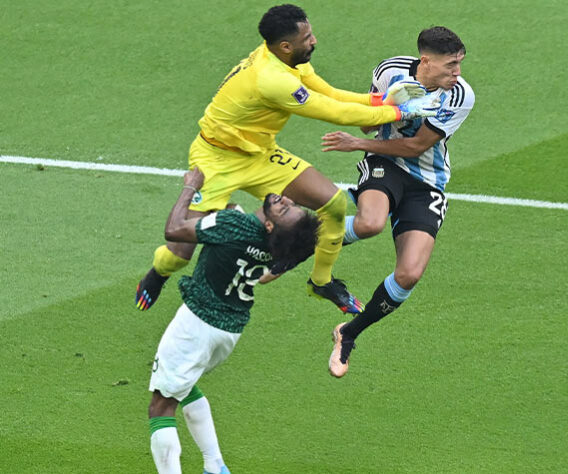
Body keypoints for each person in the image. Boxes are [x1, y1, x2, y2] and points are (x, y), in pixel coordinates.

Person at [135, 4, 440, 315]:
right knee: (180, 251)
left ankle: (320, 281)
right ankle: (158, 273)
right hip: (215, 160)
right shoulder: (271, 79)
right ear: (285, 46)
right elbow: (332, 112)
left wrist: (382, 99)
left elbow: (329, 93)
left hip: (260, 154)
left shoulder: (289, 61)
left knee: (333, 203)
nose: (314, 40)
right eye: (307, 37)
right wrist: (399, 112)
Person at [320, 26, 474, 377]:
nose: (458, 73)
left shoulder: (460, 95)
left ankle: (348, 334)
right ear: (426, 61)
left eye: (460, 63)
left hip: (427, 182)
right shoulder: (390, 71)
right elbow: (368, 126)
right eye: (451, 65)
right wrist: (385, 107)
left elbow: (416, 146)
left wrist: (358, 144)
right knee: (370, 222)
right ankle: (298, 240)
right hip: (385, 165)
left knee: (409, 274)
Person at [147, 167, 320, 474]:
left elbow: (174, 230)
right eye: (291, 205)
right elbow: (251, 241)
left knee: (161, 406)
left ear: (269, 225)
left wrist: (191, 187)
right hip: (229, 331)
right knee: (186, 386)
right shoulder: (279, 246)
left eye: (284, 210)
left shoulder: (232, 227)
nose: (286, 200)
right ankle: (215, 467)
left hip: (196, 324)